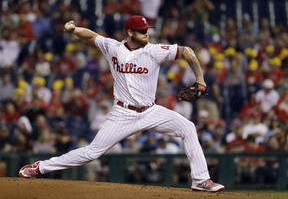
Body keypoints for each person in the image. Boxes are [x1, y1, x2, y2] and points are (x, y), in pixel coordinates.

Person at [18, 15, 224, 192]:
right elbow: (91, 36)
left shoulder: (154, 51)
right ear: (130, 32)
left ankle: (200, 180)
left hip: (151, 111)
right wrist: (74, 29)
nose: (147, 34)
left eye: (147, 30)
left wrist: (200, 79)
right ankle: (41, 167)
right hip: (123, 113)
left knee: (188, 127)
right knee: (92, 153)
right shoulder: (114, 48)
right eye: (142, 31)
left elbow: (187, 51)